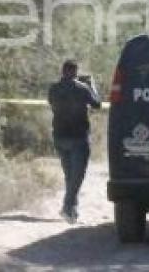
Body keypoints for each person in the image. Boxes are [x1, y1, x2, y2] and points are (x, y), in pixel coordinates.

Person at [47, 60, 101, 224]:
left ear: (62, 71)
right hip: (78, 137)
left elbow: (52, 104)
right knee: (77, 176)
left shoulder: (53, 89)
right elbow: (97, 104)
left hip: (59, 136)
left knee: (70, 174)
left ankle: (72, 207)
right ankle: (67, 206)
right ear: (75, 72)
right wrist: (91, 85)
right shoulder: (82, 88)